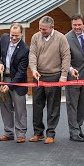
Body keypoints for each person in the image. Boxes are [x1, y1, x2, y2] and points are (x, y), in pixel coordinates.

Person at [29, 16, 71, 144]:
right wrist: (33, 69)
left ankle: (50, 133)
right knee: (37, 105)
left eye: (44, 29)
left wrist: (63, 76)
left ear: (52, 27)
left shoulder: (61, 38)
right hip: (38, 76)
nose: (41, 31)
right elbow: (32, 54)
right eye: (40, 28)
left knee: (53, 107)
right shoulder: (35, 37)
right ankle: (38, 133)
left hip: (54, 76)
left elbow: (66, 56)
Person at [0, 23, 29, 143]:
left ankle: (21, 134)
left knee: (20, 108)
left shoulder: (25, 49)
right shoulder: (3, 38)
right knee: (5, 106)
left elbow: (21, 72)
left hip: (18, 82)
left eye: (16, 36)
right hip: (3, 78)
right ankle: (8, 133)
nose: (14, 38)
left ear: (21, 34)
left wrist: (10, 86)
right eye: (12, 35)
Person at [65, 14, 84, 142]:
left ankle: (79, 128)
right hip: (73, 76)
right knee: (72, 105)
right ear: (71, 25)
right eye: (74, 25)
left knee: (82, 104)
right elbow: (64, 58)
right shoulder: (66, 38)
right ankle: (73, 132)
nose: (77, 27)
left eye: (79, 24)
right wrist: (70, 69)